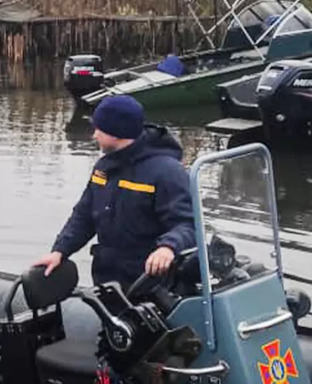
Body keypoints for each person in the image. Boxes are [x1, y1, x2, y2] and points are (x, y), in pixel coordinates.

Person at [35, 95, 195, 289]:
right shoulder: (103, 168)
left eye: (99, 129)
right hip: (108, 281)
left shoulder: (168, 172)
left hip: (150, 282)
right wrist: (59, 251)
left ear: (117, 134)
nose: (94, 135)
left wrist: (168, 248)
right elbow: (84, 217)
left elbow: (188, 224)